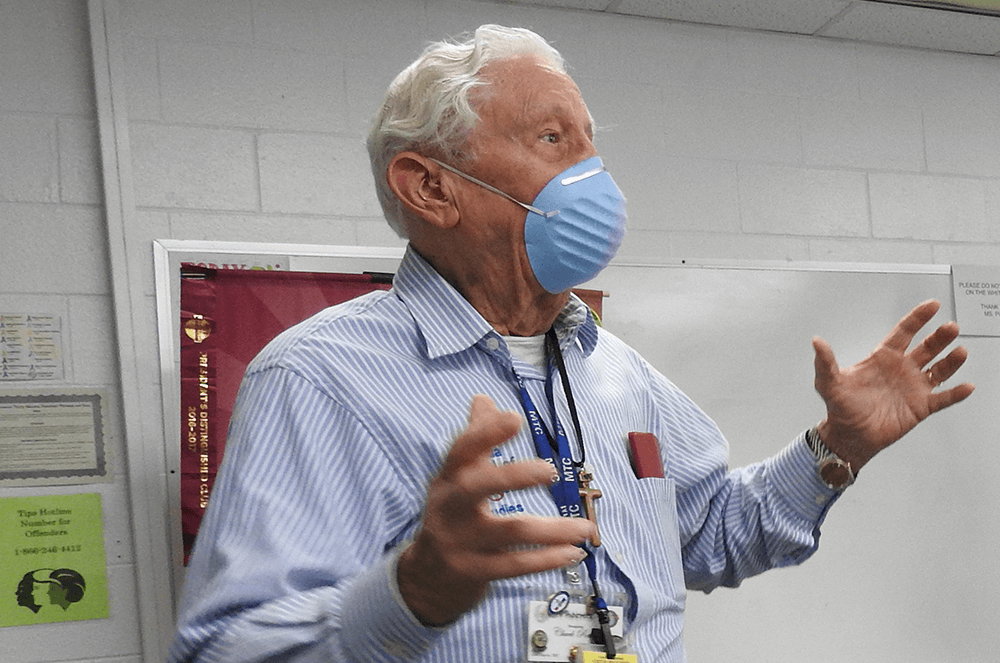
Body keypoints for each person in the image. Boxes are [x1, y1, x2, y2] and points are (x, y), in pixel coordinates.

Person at [168, 25, 974, 663]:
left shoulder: (618, 371)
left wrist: (837, 446)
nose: (598, 177)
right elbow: (221, 648)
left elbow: (717, 530)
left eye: (592, 144)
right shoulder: (319, 379)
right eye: (555, 140)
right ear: (432, 186)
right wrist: (413, 591)